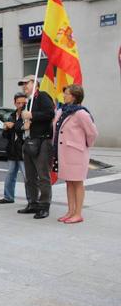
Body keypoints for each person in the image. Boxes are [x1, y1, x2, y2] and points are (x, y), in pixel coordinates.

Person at [53, 84, 98, 224]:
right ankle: (70, 211)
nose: (64, 95)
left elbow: (92, 133)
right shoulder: (61, 111)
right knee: (69, 182)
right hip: (64, 154)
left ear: (74, 96)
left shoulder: (81, 113)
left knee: (77, 183)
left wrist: (84, 146)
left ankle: (78, 213)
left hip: (76, 153)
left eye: (66, 93)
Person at [19, 74, 56, 219]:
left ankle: (44, 205)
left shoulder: (43, 96)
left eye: (26, 83)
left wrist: (32, 115)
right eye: (23, 84)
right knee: (30, 176)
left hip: (42, 142)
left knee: (43, 176)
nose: (24, 86)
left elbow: (49, 113)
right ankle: (32, 203)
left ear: (35, 84)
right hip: (29, 140)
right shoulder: (28, 101)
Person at [0, 92, 28, 204]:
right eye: (18, 103)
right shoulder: (11, 115)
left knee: (27, 176)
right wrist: (5, 128)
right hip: (12, 149)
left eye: (23, 103)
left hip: (23, 150)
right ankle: (8, 197)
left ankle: (32, 199)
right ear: (14, 103)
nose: (21, 105)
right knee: (10, 174)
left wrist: (13, 126)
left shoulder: (27, 115)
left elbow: (25, 130)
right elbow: (5, 136)